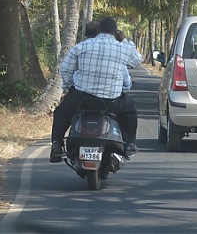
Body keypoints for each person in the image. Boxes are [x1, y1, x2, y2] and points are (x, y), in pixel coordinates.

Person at [50, 17, 141, 163]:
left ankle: (56, 145)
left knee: (61, 113)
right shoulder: (122, 48)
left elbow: (66, 69)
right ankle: (130, 144)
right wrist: (123, 40)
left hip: (81, 99)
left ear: (98, 30)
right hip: (112, 101)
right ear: (115, 32)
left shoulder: (81, 47)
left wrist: (68, 88)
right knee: (130, 110)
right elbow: (137, 60)